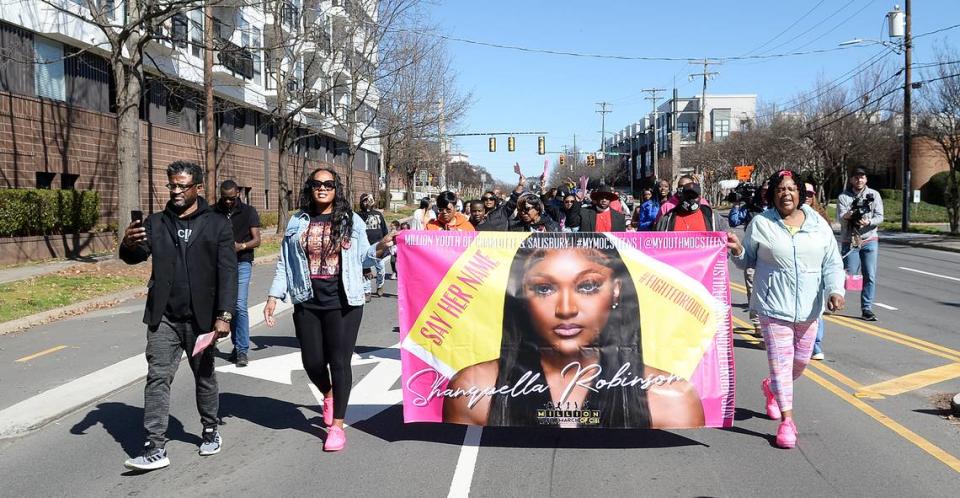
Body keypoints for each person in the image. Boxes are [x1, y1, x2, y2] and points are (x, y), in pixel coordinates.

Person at [443, 232, 704, 428]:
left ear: (616, 291)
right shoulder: (474, 391)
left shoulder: (672, 400)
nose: (566, 309)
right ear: (520, 295)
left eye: (588, 286)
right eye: (544, 289)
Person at [263, 168, 393, 452]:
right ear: (310, 188)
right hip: (306, 298)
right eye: (317, 184)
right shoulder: (298, 220)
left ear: (337, 189)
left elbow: (363, 258)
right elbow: (286, 262)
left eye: (329, 184)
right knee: (312, 361)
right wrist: (274, 295)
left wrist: (381, 248)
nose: (322, 189)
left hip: (344, 301)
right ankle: (329, 393)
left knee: (339, 361)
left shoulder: (351, 220)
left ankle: (337, 426)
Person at [119, 161, 237, 471]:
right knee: (157, 377)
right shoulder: (157, 222)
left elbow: (228, 274)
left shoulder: (217, 225)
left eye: (182, 186)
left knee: (205, 376)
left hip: (201, 318)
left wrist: (224, 316)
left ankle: (210, 429)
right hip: (164, 318)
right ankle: (155, 447)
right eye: (172, 185)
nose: (176, 191)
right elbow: (135, 256)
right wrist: (128, 244)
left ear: (198, 187)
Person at [727, 169, 845, 449]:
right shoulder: (762, 223)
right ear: (773, 195)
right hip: (772, 307)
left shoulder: (818, 225)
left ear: (800, 194)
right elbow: (748, 261)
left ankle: (771, 388)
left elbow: (832, 263)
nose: (786, 194)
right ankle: (787, 422)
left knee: (800, 362)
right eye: (780, 189)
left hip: (809, 308)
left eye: (791, 189)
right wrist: (736, 250)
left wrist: (835, 290)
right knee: (781, 364)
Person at [214, 179, 261, 367]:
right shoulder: (212, 212)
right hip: (218, 264)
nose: (227, 202)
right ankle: (214, 344)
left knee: (239, 305)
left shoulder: (249, 211)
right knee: (221, 305)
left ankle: (241, 349)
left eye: (231, 198)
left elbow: (257, 240)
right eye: (224, 198)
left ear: (238, 194)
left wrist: (240, 246)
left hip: (242, 262)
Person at [837, 167, 884, 322]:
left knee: (869, 275)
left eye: (862, 177)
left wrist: (868, 221)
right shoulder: (844, 197)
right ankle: (836, 298)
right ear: (851, 180)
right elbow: (841, 219)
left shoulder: (874, 195)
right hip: (850, 241)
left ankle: (867, 308)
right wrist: (848, 215)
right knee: (848, 275)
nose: (859, 180)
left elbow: (880, 217)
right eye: (856, 177)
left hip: (869, 240)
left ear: (866, 179)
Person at [728, 180, 769, 335]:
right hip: (752, 252)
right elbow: (734, 221)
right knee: (753, 290)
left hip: (771, 254)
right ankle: (758, 324)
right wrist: (737, 204)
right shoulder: (751, 207)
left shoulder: (777, 208)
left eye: (768, 189)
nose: (765, 193)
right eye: (763, 190)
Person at [805, 182, 829, 360]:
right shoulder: (788, 216)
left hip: (816, 269)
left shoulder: (821, 217)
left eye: (810, 194)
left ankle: (815, 345)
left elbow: (829, 246)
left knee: (817, 307)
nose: (807, 196)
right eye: (803, 193)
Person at [358, 192, 388, 299]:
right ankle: (367, 292)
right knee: (365, 269)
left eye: (369, 200)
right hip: (365, 247)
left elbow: (384, 229)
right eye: (365, 200)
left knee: (381, 269)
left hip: (378, 247)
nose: (367, 202)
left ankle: (380, 286)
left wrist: (386, 242)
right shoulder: (359, 215)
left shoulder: (378, 214)